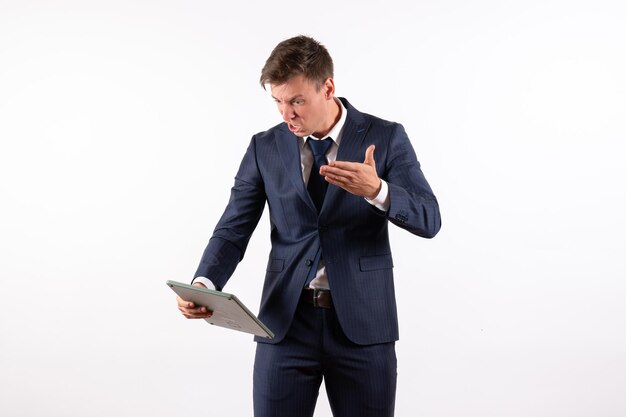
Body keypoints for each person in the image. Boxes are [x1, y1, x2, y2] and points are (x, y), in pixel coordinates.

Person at [176, 35, 441, 417]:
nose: (287, 114)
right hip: (284, 325)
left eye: (297, 100)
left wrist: (379, 191)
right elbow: (233, 228)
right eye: (278, 102)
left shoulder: (386, 137)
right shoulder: (263, 147)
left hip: (363, 327)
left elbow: (430, 218)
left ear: (328, 87)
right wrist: (203, 285)